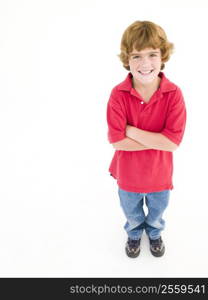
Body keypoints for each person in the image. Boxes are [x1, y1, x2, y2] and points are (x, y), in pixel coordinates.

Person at [106, 20, 186, 258]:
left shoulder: (173, 94)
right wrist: (157, 138)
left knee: (157, 211)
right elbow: (116, 141)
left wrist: (130, 130)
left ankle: (153, 232)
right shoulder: (118, 94)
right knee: (131, 212)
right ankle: (133, 232)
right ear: (127, 59)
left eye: (152, 54)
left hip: (160, 174)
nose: (145, 64)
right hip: (127, 174)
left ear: (163, 56)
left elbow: (172, 143)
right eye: (136, 56)